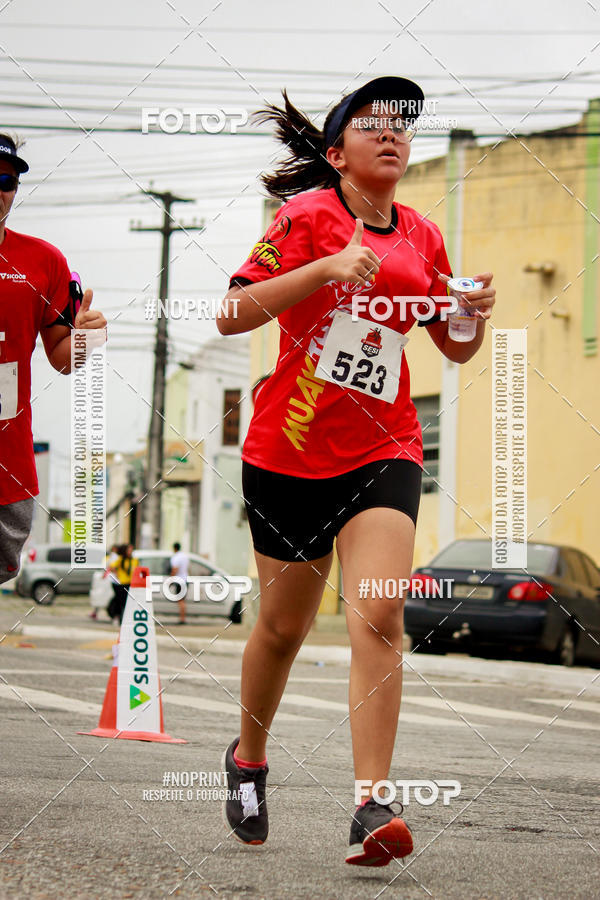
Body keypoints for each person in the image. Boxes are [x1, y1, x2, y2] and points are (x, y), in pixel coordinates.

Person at [216, 77, 496, 866]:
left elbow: (455, 347)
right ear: (337, 153)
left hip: (385, 448)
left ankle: (371, 805)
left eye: (402, 123)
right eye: (372, 123)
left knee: (379, 613)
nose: (392, 132)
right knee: (283, 629)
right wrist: (325, 271)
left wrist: (472, 313)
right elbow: (231, 312)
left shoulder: (424, 237)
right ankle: (247, 760)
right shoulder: (305, 218)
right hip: (289, 450)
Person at [0, 134, 106, 585]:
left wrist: (86, 338)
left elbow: (63, 359)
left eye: (6, 181)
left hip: (8, 457)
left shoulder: (43, 261)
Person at [108, 543, 139, 625]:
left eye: (131, 550)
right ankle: (117, 616)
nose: (130, 552)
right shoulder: (120, 559)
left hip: (129, 583)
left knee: (127, 602)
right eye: (129, 550)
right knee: (120, 601)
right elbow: (111, 567)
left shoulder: (134, 560)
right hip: (120, 584)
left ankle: (125, 618)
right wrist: (117, 573)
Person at [169, 541, 189, 625]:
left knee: (180, 600)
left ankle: (182, 619)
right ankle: (182, 618)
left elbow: (175, 569)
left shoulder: (176, 557)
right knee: (182, 600)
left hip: (179, 580)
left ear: (174, 548)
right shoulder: (185, 556)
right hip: (185, 579)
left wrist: (171, 579)